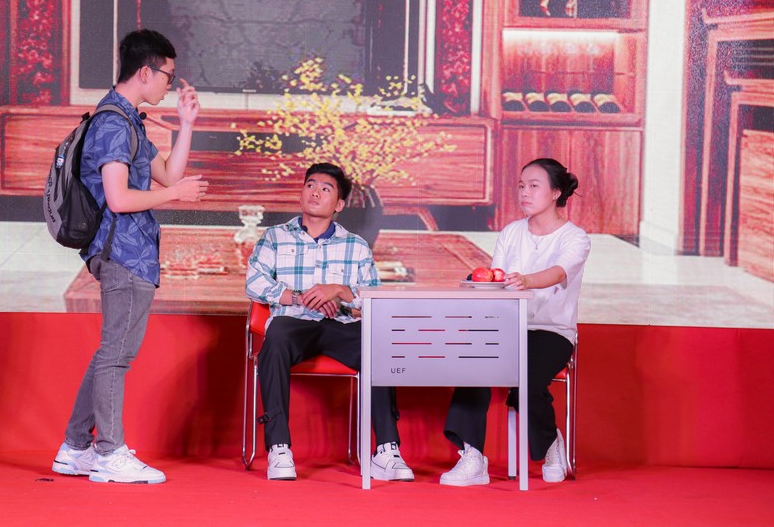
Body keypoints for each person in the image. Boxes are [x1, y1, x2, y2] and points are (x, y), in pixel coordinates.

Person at [51, 29, 208, 484]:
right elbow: (119, 199)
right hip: (122, 252)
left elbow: (168, 174)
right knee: (117, 355)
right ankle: (109, 453)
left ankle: (74, 448)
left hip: (133, 252)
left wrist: (186, 124)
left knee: (111, 352)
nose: (170, 85)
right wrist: (176, 195)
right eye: (168, 76)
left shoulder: (127, 120)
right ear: (145, 71)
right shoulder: (114, 124)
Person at [245, 162, 413, 482]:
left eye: (326, 188)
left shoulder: (356, 246)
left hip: (340, 325)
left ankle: (386, 449)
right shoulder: (275, 237)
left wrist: (339, 291)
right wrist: (300, 298)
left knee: (378, 345)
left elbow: (374, 298)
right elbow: (254, 283)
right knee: (275, 337)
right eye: (310, 185)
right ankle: (279, 447)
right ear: (301, 193)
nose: (315, 192)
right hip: (293, 323)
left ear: (339, 204)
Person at [440, 157, 590, 486]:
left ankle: (550, 442)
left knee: (526, 378)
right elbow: (496, 279)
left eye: (534, 186)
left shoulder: (575, 238)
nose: (524, 192)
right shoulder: (511, 232)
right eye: (521, 186)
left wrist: (526, 281)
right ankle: (472, 455)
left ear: (556, 192)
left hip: (551, 331)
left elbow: (559, 272)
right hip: (507, 326)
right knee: (471, 362)